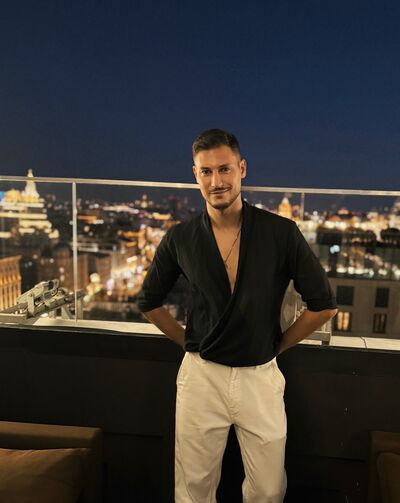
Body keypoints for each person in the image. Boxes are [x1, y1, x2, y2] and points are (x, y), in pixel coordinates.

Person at [137, 128, 338, 503]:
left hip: (259, 374)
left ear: (242, 169)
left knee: (269, 490)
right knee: (193, 490)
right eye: (206, 171)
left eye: (224, 169)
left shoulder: (281, 232)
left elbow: (323, 304)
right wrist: (190, 345)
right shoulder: (180, 238)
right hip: (202, 376)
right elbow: (148, 301)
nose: (216, 181)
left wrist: (276, 346)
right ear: (195, 175)